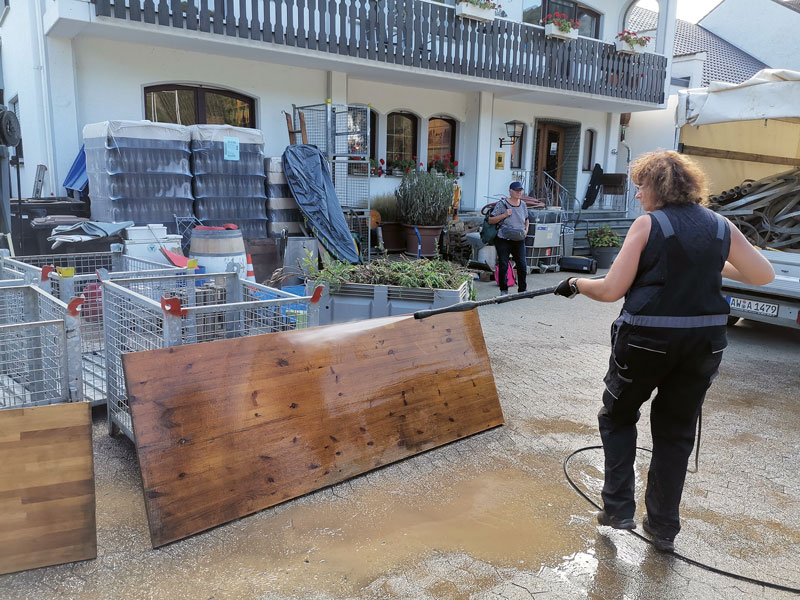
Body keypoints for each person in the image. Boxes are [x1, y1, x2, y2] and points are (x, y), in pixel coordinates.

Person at [554, 151, 774, 552]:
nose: (637, 194)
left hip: (645, 342)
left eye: (641, 186)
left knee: (618, 416)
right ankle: (663, 528)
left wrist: (574, 283)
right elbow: (763, 274)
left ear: (659, 186)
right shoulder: (722, 226)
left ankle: (618, 509)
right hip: (703, 345)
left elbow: (609, 291)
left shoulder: (648, 224)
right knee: (675, 434)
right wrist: (704, 261)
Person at [488, 181, 530, 296]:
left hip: (519, 239)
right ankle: (504, 290)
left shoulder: (523, 204)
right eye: (516, 190)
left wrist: (526, 230)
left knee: (522, 265)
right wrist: (504, 215)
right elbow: (490, 220)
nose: (519, 192)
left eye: (520, 190)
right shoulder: (502, 204)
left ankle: (522, 290)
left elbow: (527, 219)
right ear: (510, 192)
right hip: (504, 239)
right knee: (503, 264)